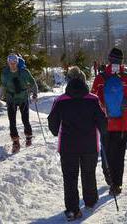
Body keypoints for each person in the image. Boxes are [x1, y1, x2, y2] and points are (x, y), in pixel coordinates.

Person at [48, 66, 107, 221]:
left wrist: (56, 131)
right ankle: (90, 201)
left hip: (68, 146)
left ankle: (73, 209)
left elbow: (52, 122)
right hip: (89, 145)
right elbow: (102, 121)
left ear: (68, 80)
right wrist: (103, 131)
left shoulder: (60, 100)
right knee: (89, 173)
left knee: (70, 177)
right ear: (83, 80)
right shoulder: (93, 99)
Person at [91, 47, 127, 195]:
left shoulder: (100, 78)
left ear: (109, 59)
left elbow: (92, 98)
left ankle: (109, 176)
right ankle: (116, 184)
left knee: (107, 151)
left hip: (105, 122)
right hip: (123, 123)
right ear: (122, 61)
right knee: (119, 154)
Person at [0, 53, 38, 153]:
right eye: (11, 63)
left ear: (17, 62)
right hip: (11, 99)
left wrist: (35, 94)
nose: (13, 64)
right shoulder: (5, 74)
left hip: (23, 98)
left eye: (14, 62)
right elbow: (3, 87)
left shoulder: (24, 72)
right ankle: (15, 142)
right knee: (12, 121)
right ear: (8, 63)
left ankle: (28, 137)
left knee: (25, 119)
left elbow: (33, 83)